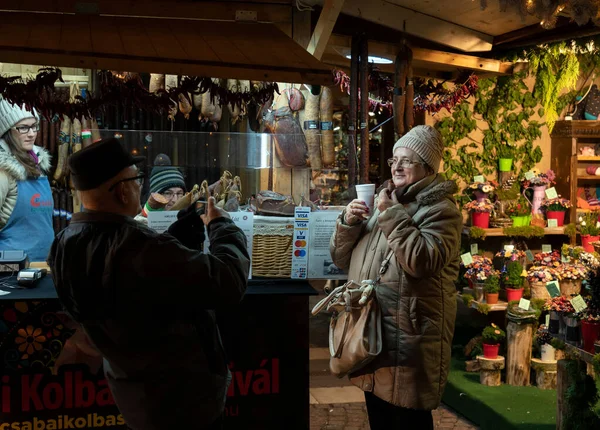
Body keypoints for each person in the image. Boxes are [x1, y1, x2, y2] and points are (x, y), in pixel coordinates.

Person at [47, 138, 250, 430]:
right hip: (182, 401)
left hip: (134, 394)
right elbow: (229, 281)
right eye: (137, 179)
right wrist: (222, 227)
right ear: (120, 190)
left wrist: (175, 238)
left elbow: (134, 286)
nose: (140, 186)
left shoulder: (64, 245)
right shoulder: (141, 248)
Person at [330, 125, 462, 429]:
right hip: (374, 332)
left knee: (406, 418)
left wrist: (390, 214)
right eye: (394, 160)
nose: (397, 167)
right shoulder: (387, 201)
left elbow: (422, 262)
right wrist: (348, 224)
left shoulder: (442, 211)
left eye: (407, 160)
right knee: (380, 416)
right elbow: (340, 259)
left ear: (427, 168)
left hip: (409, 337)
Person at [0, 98, 53, 261]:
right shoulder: (3, 171)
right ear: (8, 130)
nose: (31, 134)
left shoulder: (39, 165)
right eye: (23, 128)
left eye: (34, 126)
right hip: (11, 271)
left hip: (45, 265)